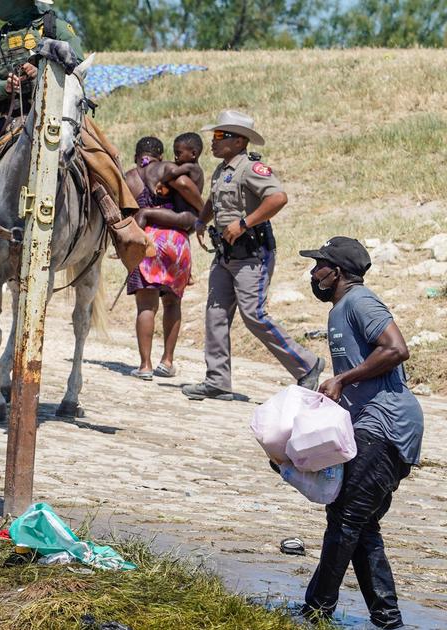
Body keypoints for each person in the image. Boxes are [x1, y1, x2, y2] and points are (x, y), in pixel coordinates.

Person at [0, 0, 151, 275]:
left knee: (103, 157)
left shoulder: (56, 27)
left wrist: (41, 66)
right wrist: (4, 85)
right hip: (11, 116)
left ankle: (120, 225)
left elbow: (76, 64)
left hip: (59, 112)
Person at [298, 237, 423, 629]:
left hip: (387, 425)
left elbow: (396, 349)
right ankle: (387, 619)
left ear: (336, 272)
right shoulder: (340, 310)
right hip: (370, 426)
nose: (313, 273)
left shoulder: (360, 302)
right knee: (360, 523)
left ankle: (316, 611)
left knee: (347, 518)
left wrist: (343, 379)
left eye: (319, 265)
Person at [181, 110, 323, 401]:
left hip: (252, 254)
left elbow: (278, 198)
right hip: (226, 254)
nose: (214, 142)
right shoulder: (223, 169)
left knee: (254, 315)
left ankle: (307, 364)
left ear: (239, 141)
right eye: (215, 136)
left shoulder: (251, 169)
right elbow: (214, 198)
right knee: (215, 315)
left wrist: (245, 223)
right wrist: (201, 220)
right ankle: (217, 380)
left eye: (220, 136)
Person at [123, 134, 205, 380]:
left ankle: (145, 365)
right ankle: (167, 361)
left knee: (146, 305)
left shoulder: (128, 177)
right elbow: (183, 185)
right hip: (176, 240)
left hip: (145, 239)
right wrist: (203, 210)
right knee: (172, 302)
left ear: (137, 156)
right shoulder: (167, 167)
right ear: (161, 155)